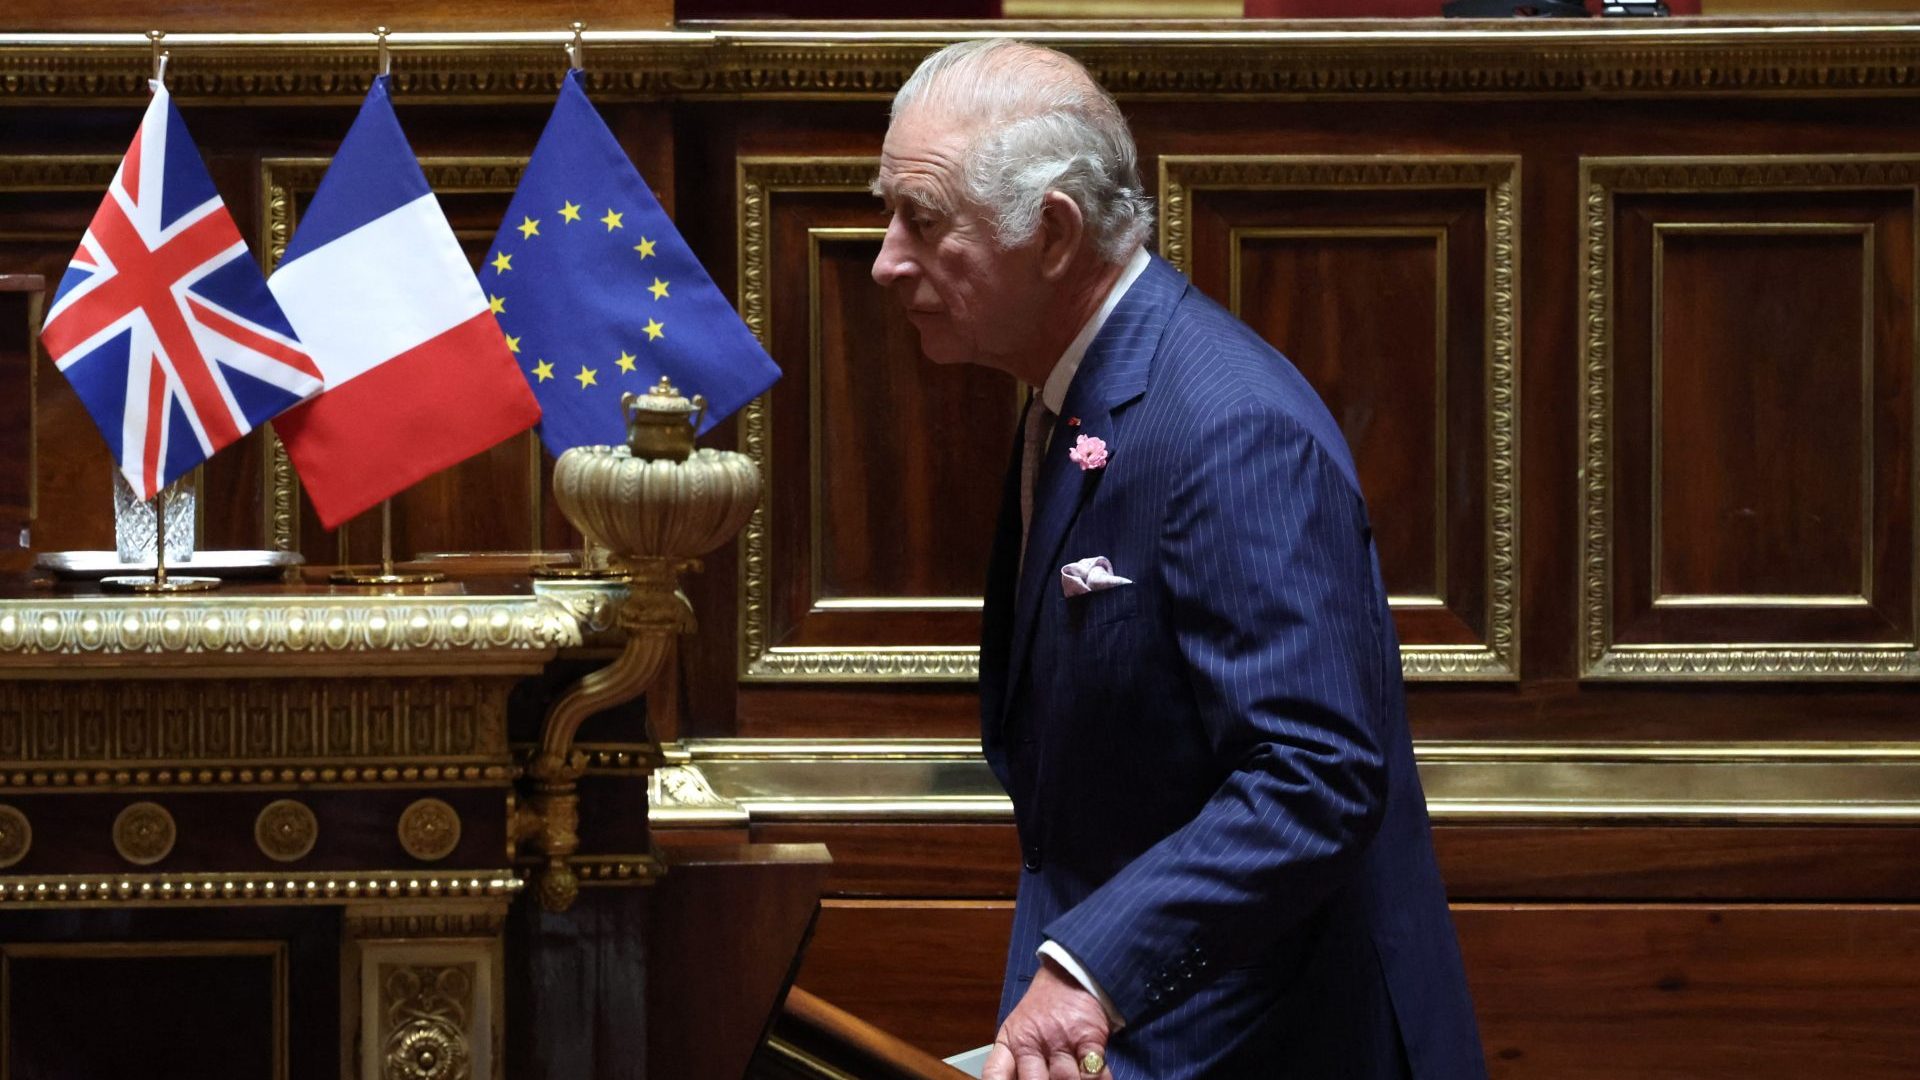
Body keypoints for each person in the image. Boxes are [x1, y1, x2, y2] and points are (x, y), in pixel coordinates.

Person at [870, 39, 1487, 1080]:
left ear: (1054, 234)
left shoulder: (1226, 428)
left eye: (923, 222)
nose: (887, 259)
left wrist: (1089, 969)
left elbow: (1315, 775)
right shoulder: (1081, 400)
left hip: (1271, 1046)